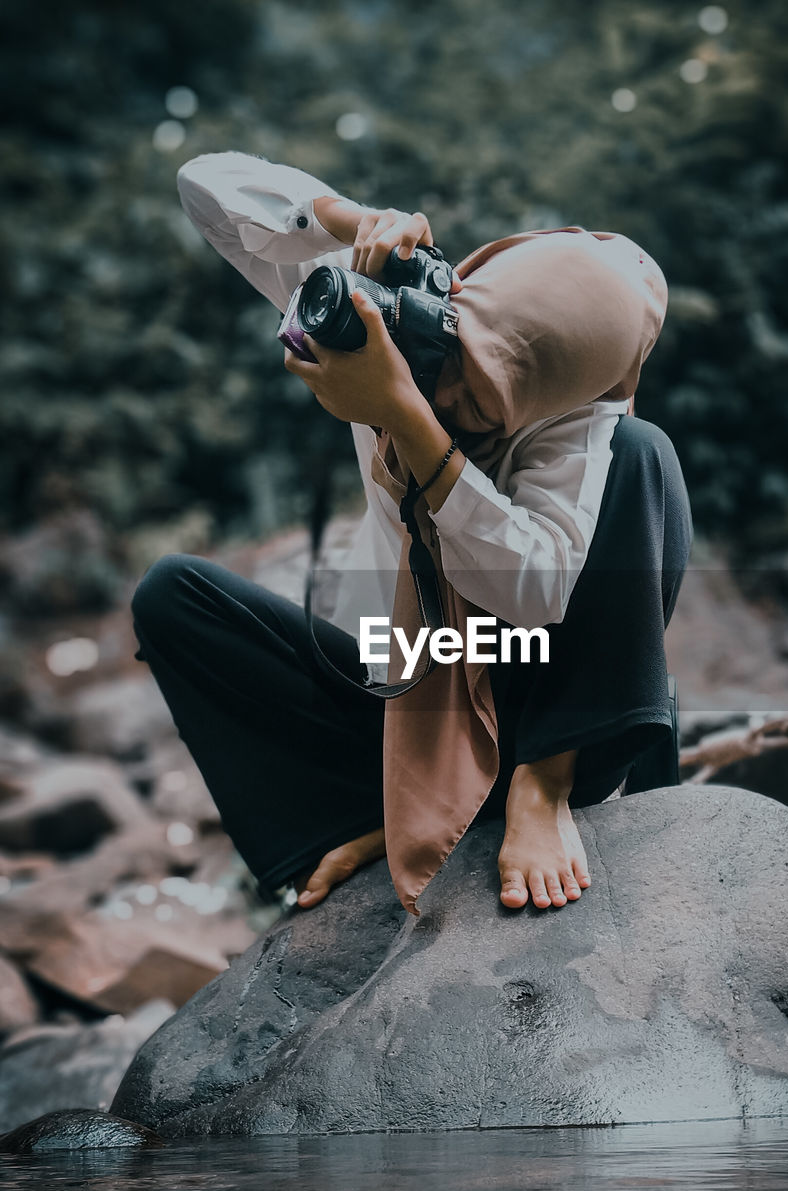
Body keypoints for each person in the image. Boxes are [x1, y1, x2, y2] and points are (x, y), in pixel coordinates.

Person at [131, 151, 693, 918]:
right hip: (408, 704)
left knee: (646, 453)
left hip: (537, 707)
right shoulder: (398, 325)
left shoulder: (582, 422)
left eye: (488, 398)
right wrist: (348, 221)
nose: (453, 394)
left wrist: (408, 421)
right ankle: (374, 817)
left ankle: (543, 790)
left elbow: (533, 589)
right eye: (453, 365)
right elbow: (204, 186)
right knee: (172, 595)